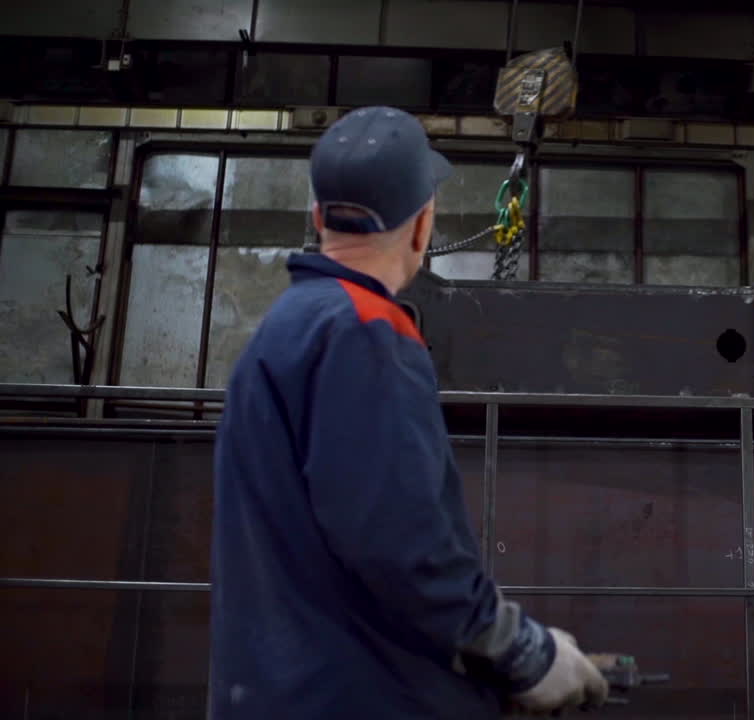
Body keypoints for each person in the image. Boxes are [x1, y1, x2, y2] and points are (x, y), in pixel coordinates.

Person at [209, 106, 608, 718]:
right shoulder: (366, 330)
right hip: (359, 696)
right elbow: (403, 543)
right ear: (423, 224)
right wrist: (523, 653)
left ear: (317, 217)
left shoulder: (282, 330)